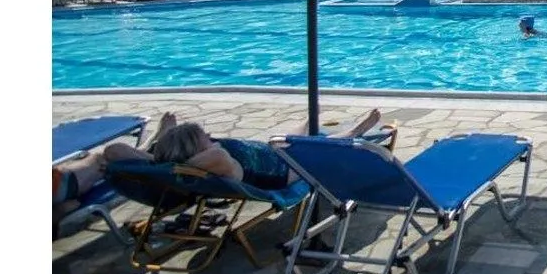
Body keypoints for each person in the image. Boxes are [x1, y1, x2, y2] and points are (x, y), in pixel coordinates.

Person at [104, 108, 382, 189]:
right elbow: (214, 154)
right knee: (317, 147)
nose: (209, 135)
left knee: (293, 134)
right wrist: (167, 150)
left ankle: (309, 120)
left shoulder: (188, 162)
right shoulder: (217, 161)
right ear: (194, 149)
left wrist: (158, 152)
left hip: (270, 152)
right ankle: (353, 132)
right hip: (286, 169)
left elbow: (114, 151)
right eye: (203, 136)